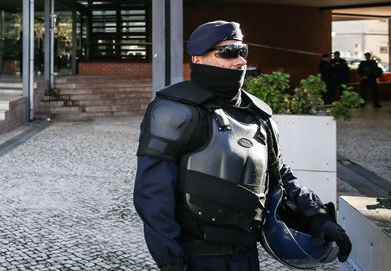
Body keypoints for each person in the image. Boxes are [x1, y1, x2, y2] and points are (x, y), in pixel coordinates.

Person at [133, 21, 351, 271]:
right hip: (196, 257)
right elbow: (152, 194)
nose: (239, 61)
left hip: (246, 256)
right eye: (227, 53)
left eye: (242, 51)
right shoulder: (173, 111)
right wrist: (170, 259)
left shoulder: (259, 115)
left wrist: (317, 214)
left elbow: (280, 175)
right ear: (198, 58)